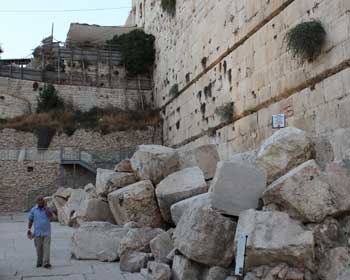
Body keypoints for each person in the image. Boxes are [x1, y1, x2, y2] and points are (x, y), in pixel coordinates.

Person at [27, 196, 53, 268]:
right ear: (37, 202)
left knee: (46, 248)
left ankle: (46, 263)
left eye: (42, 200)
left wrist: (46, 208)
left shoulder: (47, 209)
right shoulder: (33, 210)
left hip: (46, 232)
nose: (40, 201)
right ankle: (39, 262)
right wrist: (29, 229)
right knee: (38, 249)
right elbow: (31, 219)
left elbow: (51, 218)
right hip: (37, 233)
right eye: (39, 200)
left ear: (44, 201)